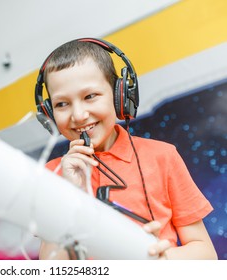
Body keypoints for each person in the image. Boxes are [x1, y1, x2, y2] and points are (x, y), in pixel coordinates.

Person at [35, 38, 217, 260]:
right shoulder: (51, 174)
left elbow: (206, 254)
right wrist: (71, 195)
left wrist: (164, 261)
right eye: (62, 104)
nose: (79, 115)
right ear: (49, 113)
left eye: (90, 96)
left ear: (119, 95)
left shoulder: (163, 156)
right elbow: (51, 267)